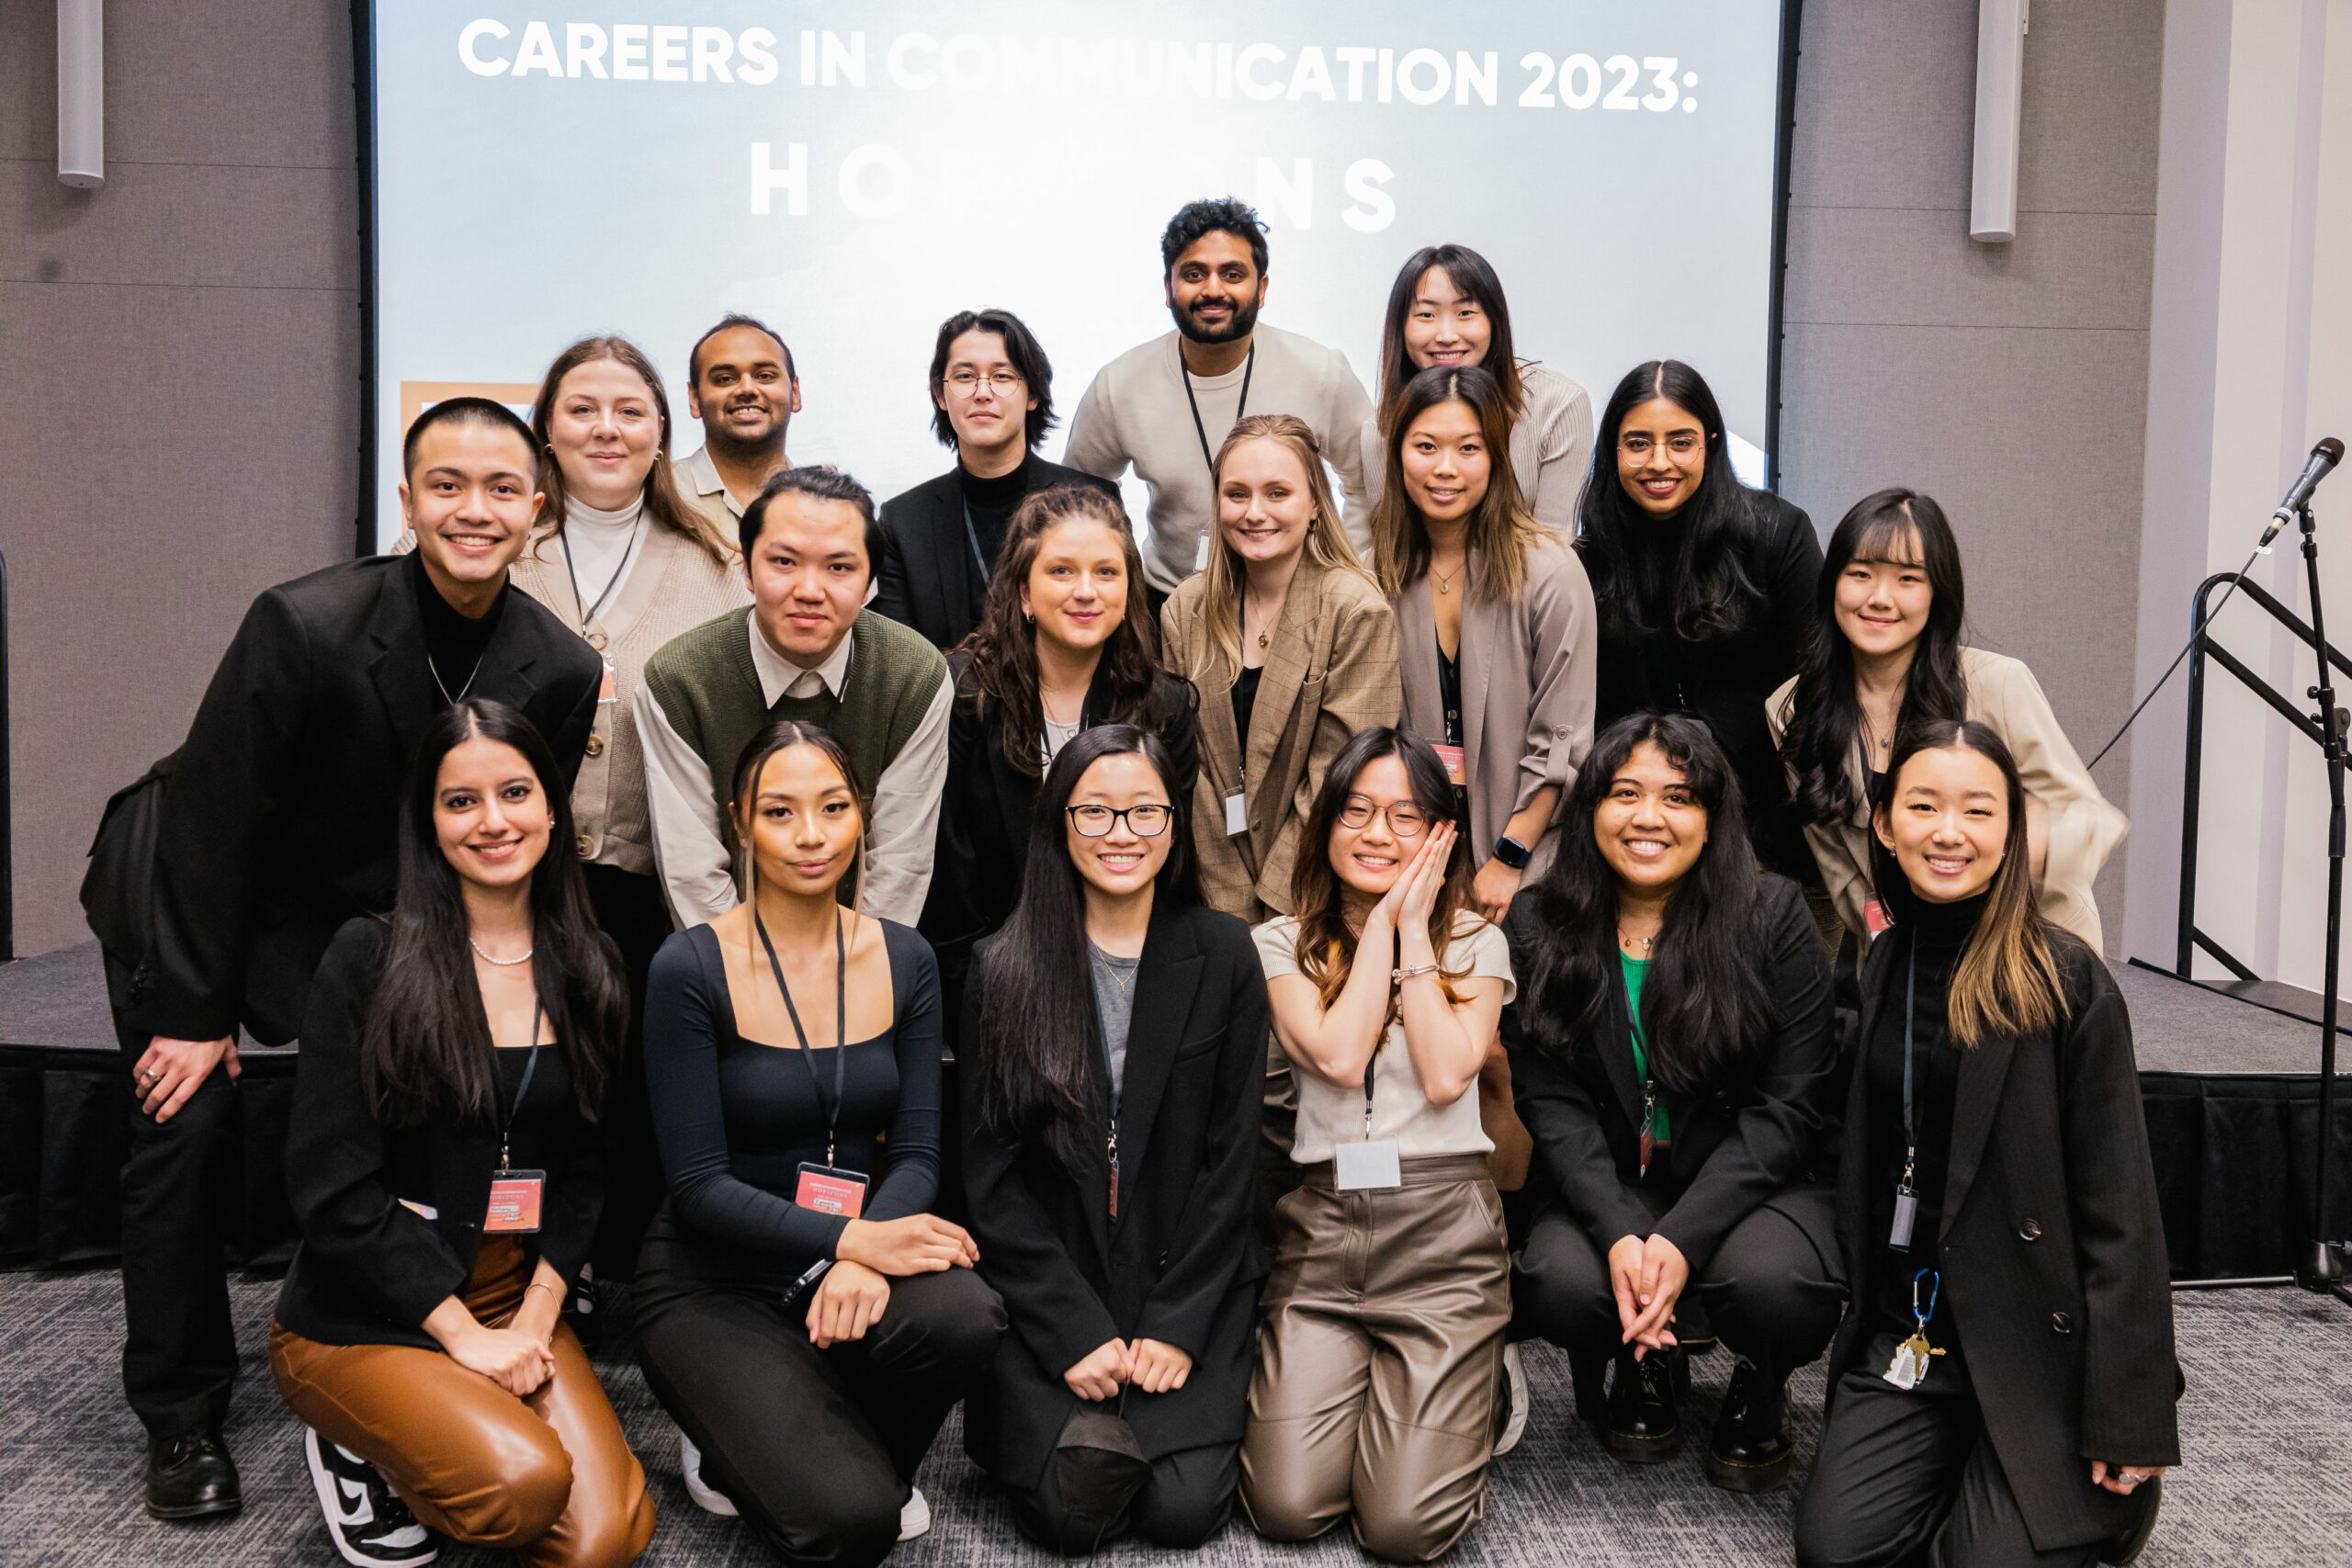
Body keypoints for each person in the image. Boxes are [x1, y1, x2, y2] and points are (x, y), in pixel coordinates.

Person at [85, 397, 602, 1523]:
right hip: (217, 896)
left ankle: (392, 1351)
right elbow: (213, 824)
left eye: (503, 490)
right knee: (188, 1112)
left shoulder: (558, 667)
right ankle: (181, 1415)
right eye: (448, 486)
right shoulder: (303, 623)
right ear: (408, 500)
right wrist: (195, 1009)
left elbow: (514, 832)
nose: (475, 509)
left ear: (538, 512)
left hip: (386, 918)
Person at [271, 700, 653, 1568]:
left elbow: (591, 1167)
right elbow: (331, 1190)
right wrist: (463, 1335)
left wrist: (536, 1314)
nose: (493, 821)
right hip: (370, 1311)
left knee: (605, 1541)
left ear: (554, 809)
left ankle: (441, 1423)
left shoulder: (591, 963)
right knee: (519, 1486)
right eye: (461, 800)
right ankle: (357, 1440)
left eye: (515, 792)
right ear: (428, 820)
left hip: (514, 1295)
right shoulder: (366, 958)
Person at [1793, 720, 2177, 1568]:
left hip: (2037, 1344)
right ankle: (1977, 1465)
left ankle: (2110, 1495)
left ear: (2012, 833)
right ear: (1886, 824)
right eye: (1923, 805)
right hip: (1914, 1333)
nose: (1949, 831)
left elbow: (2126, 1213)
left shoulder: (2065, 979)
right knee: (1835, 1553)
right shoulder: (1881, 964)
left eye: (1978, 809)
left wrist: (2132, 1410)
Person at [634, 718, 1004, 1565]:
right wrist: (854, 1237)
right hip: (711, 1278)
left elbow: (915, 1153)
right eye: (780, 812)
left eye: (833, 807)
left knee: (966, 1314)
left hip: (843, 1260)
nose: (810, 835)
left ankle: (791, 1426)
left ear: (861, 815)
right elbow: (696, 1183)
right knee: (853, 1524)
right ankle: (735, 1426)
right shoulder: (688, 967)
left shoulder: (906, 958)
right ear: (741, 822)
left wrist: (859, 1257)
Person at [1505, 714, 1842, 1494]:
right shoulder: (1538, 923)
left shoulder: (1773, 919)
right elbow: (1551, 1104)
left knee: (1777, 1286)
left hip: (1749, 1183)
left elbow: (1788, 1110)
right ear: (1590, 808)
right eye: (1625, 793)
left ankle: (1760, 1383)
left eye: (1679, 797)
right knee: (1559, 1278)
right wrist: (1624, 1234)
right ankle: (1642, 1362)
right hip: (1615, 1179)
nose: (1648, 817)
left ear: (1713, 816)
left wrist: (1679, 1240)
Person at [960, 727, 1268, 1551]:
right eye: (1095, 811)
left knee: (1180, 1513)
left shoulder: (1226, 952)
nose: (1121, 833)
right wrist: (1071, 1329)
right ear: (1059, 822)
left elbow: (1235, 1159)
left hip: (1185, 1286)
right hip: (1056, 1291)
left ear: (1174, 825)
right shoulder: (1004, 968)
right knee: (1072, 1515)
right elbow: (990, 1181)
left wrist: (1177, 1323)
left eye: (1143, 812)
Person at [508, 333, 751, 1293]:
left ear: (662, 430)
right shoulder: (496, 545)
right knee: (526, 1084)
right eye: (582, 409)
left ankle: (627, 1280)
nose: (606, 429)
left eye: (629, 411)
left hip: (652, 881)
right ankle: (517, 1275)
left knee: (637, 1096)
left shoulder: (716, 560)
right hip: (513, 879)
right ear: (547, 428)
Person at [1240, 728, 1516, 1564]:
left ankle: (1485, 1386)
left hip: (1444, 1240)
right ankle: (1401, 1396)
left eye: (1405, 815)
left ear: (1441, 832)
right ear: (1325, 825)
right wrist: (1380, 926)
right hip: (1322, 1236)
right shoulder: (1278, 942)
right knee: (1286, 1505)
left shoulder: (1478, 943)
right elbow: (1336, 1054)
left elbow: (1442, 1076)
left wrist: (1414, 935)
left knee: (1401, 1529)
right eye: (1355, 810)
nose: (1377, 833)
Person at [1770, 487, 2126, 954]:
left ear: (1938, 592)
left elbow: (2092, 819)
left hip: (2029, 951)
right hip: (1910, 960)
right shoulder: (1793, 707)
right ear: (1831, 584)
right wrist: (1889, 944)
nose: (1880, 598)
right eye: (1860, 574)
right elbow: (1839, 864)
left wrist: (2032, 846)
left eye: (1908, 579)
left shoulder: (1998, 683)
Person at [918, 485, 1198, 1049]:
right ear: (1024, 592)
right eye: (1062, 572)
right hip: (995, 981)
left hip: (1129, 975)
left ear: (1129, 589)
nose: (1086, 592)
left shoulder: (1164, 706)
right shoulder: (965, 696)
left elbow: (1174, 864)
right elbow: (949, 871)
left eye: (1106, 572)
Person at [637, 466, 951, 931]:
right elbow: (694, 876)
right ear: (746, 569)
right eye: (783, 562)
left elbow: (899, 869)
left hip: (863, 960)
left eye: (839, 568)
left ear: (870, 585)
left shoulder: (913, 676)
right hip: (727, 962)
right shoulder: (679, 680)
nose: (809, 591)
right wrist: (753, 984)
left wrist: (850, 975)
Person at [1577, 359, 1823, 886]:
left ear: (1711, 443)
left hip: (1766, 830)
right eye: (1638, 442)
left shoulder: (1777, 534)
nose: (1659, 462)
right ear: (1612, 450)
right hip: (1634, 834)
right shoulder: (1588, 559)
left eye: (1681, 442)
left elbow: (1818, 683)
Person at [1065, 197, 1376, 604]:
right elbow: (1075, 497)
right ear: (1168, 287)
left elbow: (1370, 486)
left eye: (1232, 274)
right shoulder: (1120, 385)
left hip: (1296, 602)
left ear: (1261, 289)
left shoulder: (1320, 372)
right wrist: (1117, 573)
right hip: (1168, 601)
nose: (1213, 290)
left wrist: (1342, 574)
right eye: (1194, 274)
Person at [1375, 363, 1597, 924]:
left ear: (1497, 457)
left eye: (1469, 448)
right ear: (1398, 454)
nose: (1445, 468)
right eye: (1425, 446)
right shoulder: (1376, 573)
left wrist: (1508, 856)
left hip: (1533, 857)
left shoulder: (1549, 570)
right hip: (1409, 858)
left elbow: (1563, 741)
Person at [1159, 414, 1401, 925]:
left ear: (1314, 504)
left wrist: (1275, 912)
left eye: (1277, 493)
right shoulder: (1185, 611)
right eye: (1237, 494)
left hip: (1317, 893)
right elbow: (1193, 773)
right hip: (1210, 893)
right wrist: (1228, 908)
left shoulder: (1356, 611)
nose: (1254, 513)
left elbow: (1338, 778)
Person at [873, 308, 1118, 650]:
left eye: (1002, 377)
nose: (983, 392)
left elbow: (1121, 635)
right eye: (964, 377)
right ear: (941, 396)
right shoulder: (903, 521)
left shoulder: (1094, 500)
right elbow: (898, 660)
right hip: (949, 702)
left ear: (1033, 394)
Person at [1363, 243, 1593, 534]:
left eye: (1465, 313)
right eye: (1426, 315)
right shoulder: (1381, 428)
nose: (1447, 336)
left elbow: (1556, 549)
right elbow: (1391, 548)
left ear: (1494, 321)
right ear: (1401, 327)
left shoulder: (1559, 405)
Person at [675, 312, 800, 532]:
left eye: (765, 376)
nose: (747, 389)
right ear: (694, 399)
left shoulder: (825, 504)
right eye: (725, 379)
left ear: (795, 393)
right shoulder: (654, 495)